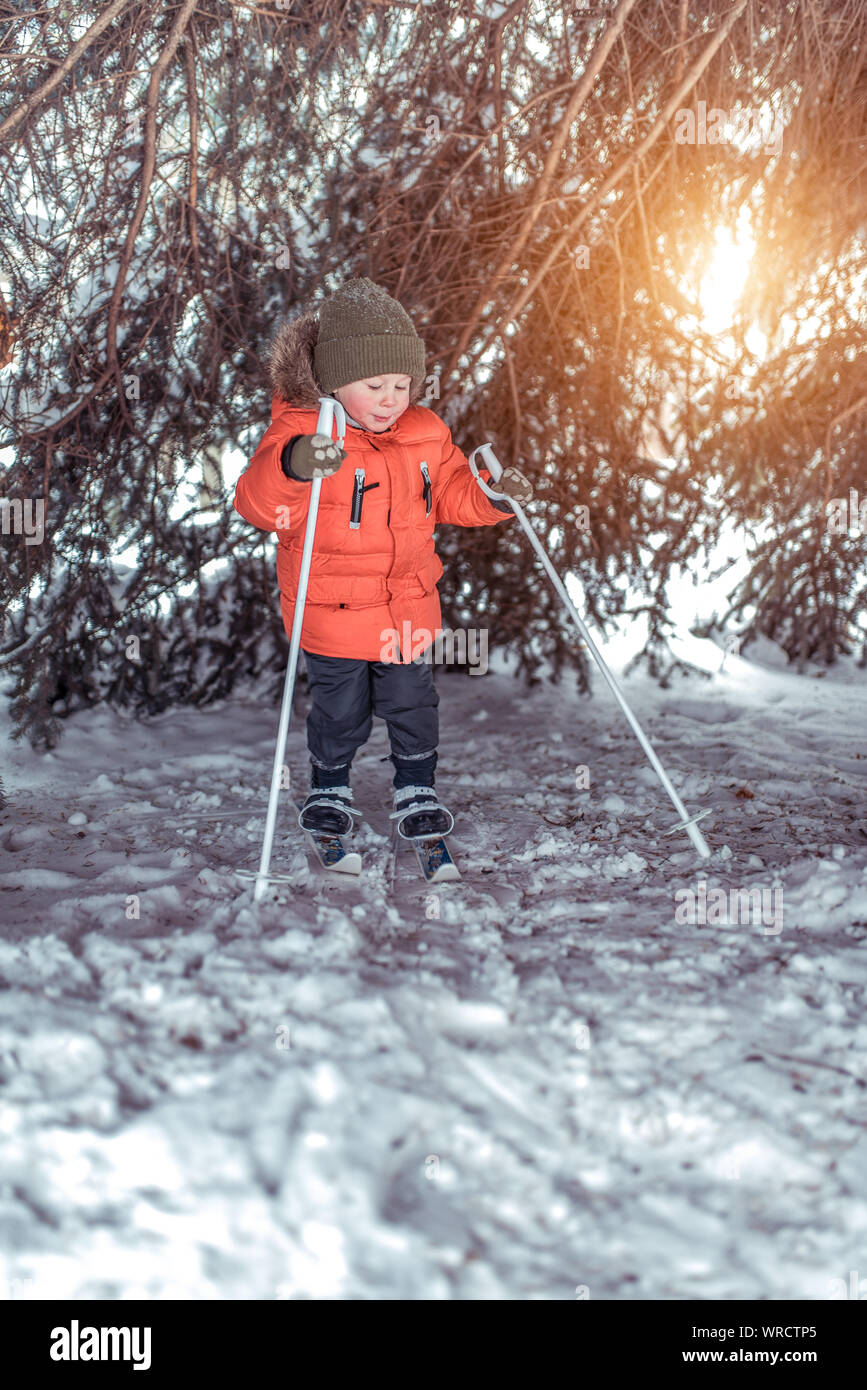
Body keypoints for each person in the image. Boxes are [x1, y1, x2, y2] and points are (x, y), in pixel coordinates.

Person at [233, 277, 532, 840]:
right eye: (375, 384)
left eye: (401, 383)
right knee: (340, 711)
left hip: (407, 608)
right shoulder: (303, 430)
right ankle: (330, 786)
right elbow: (258, 503)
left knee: (413, 703)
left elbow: (449, 493)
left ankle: (416, 786)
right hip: (332, 611)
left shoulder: (424, 431)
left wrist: (492, 495)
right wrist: (294, 466)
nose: (391, 398)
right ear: (335, 382)